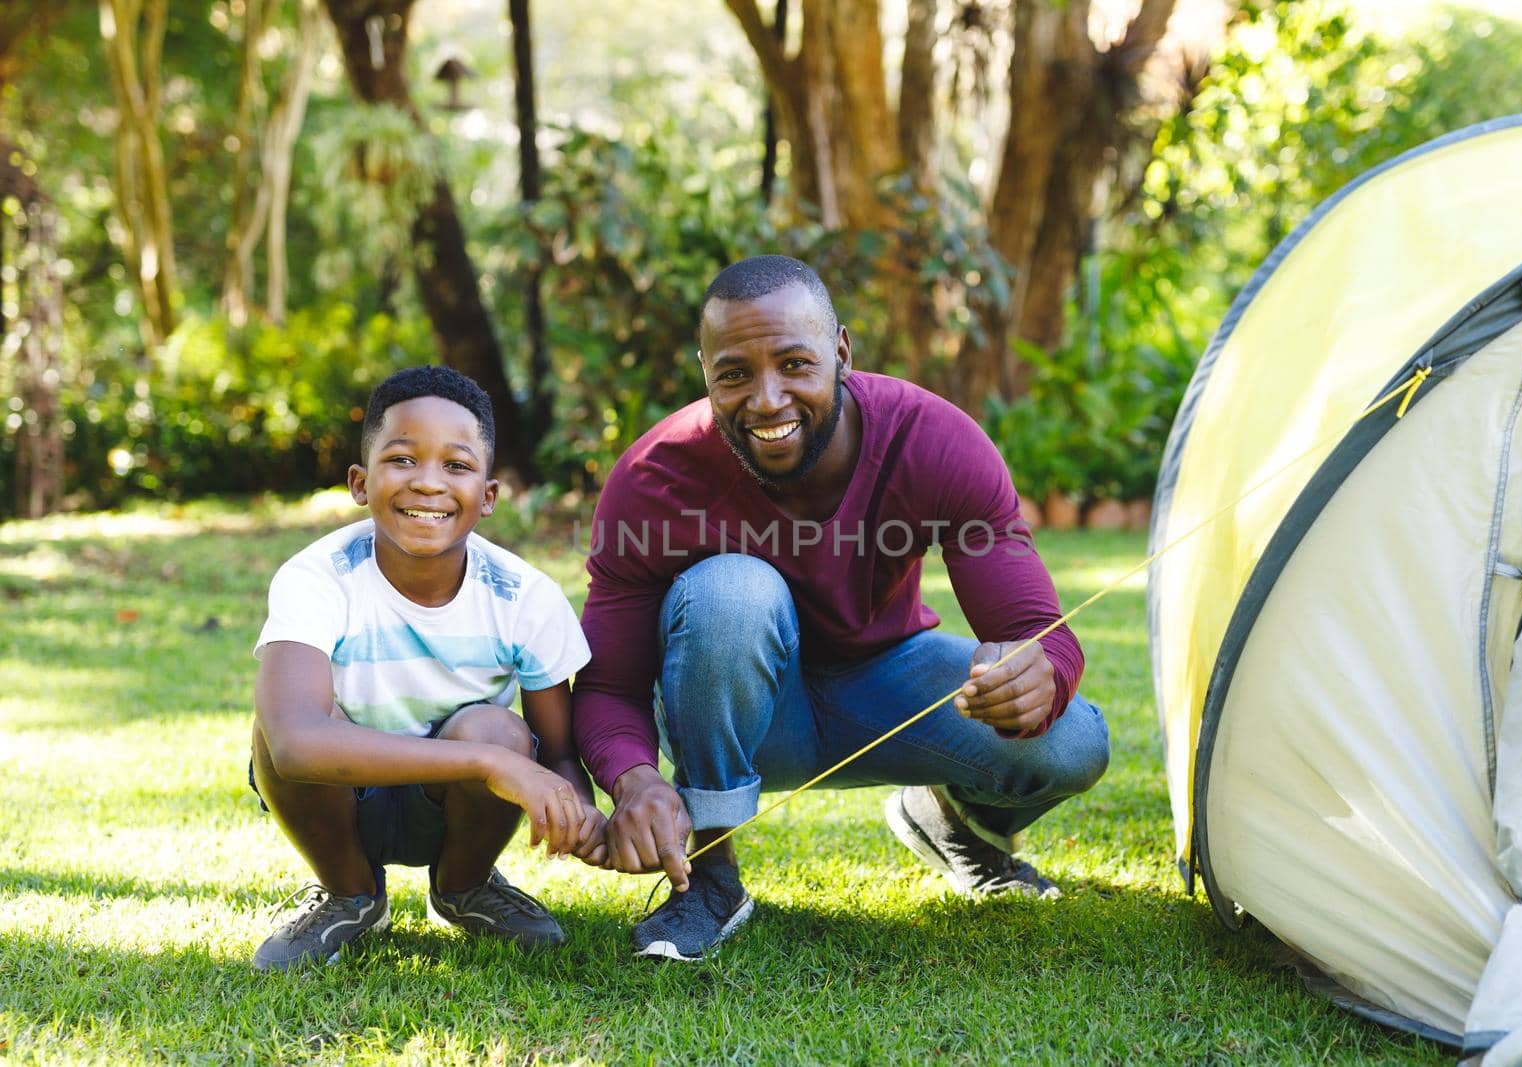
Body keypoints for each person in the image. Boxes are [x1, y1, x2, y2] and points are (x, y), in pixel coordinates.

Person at [574, 255, 1111, 961]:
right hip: (750, 714)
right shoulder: (653, 479)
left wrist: (1039, 671)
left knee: (1076, 741)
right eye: (734, 373)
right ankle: (709, 879)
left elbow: (1036, 632)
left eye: (795, 364)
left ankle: (958, 824)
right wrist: (634, 775)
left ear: (842, 352)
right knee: (731, 591)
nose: (767, 399)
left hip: (889, 684)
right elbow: (608, 685)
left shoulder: (932, 439)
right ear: (705, 371)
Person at [249, 366, 604, 972]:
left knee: (502, 730)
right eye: (403, 460)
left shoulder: (524, 597)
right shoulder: (317, 576)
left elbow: (560, 751)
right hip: (341, 799)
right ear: (361, 482)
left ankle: (465, 886)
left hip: (459, 809)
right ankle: (350, 894)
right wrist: (492, 763)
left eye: (457, 466)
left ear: (487, 496)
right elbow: (294, 746)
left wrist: (577, 809)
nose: (428, 484)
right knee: (277, 724)